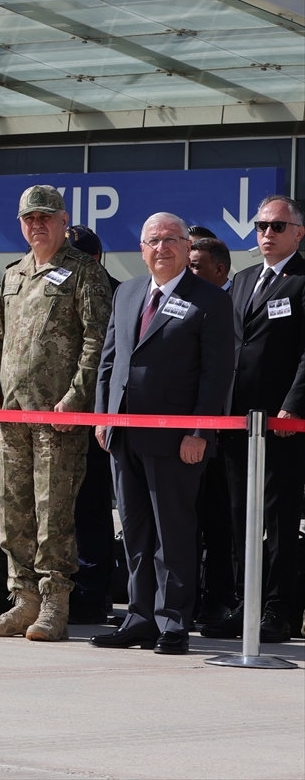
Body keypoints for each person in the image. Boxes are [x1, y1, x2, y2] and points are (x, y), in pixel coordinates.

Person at [90, 213, 234, 655]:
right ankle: (139, 618)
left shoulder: (209, 300)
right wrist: (103, 415)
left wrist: (199, 432)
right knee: (135, 532)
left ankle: (173, 622)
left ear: (187, 246)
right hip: (123, 434)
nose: (162, 247)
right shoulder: (129, 292)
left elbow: (217, 375)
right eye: (153, 240)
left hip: (176, 440)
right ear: (141, 248)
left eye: (171, 239)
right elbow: (109, 360)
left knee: (173, 533)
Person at [0, 185, 112, 642]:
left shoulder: (84, 273)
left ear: (62, 220)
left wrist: (76, 397)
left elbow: (97, 341)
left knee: (53, 515)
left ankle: (55, 605)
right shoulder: (14, 275)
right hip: (13, 418)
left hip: (58, 418)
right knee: (13, 513)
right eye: (29, 219)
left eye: (45, 217)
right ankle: (24, 600)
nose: (37, 225)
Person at [204, 195, 305, 644]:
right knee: (241, 516)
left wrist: (294, 404)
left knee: (280, 520)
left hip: (282, 423)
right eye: (262, 225)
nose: (267, 233)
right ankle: (247, 605)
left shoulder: (303, 280)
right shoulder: (242, 281)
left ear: (299, 233)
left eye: (278, 226)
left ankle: (280, 611)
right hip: (238, 423)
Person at [64, 224, 120, 625]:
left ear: (95, 259)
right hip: (53, 418)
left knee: (91, 511)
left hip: (93, 419)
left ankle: (91, 594)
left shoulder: (118, 292)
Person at [187, 235, 235, 626]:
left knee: (221, 522)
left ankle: (219, 601)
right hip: (189, 431)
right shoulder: (186, 301)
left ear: (219, 270)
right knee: (191, 520)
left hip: (230, 429)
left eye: (197, 266)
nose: (190, 272)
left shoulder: (228, 300)